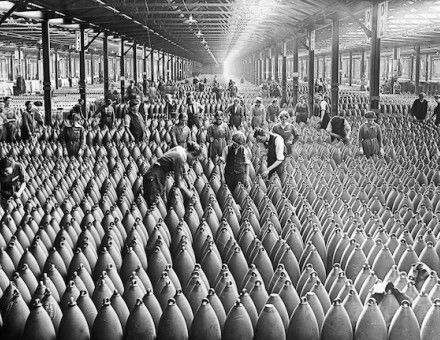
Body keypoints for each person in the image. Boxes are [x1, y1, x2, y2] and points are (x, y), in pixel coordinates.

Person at [143, 141, 202, 208]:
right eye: (194, 158)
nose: (193, 160)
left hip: (156, 173)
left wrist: (189, 183)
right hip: (154, 177)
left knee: (161, 200)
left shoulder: (180, 149)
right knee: (154, 204)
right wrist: (190, 195)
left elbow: (183, 169)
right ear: (192, 153)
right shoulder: (180, 157)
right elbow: (179, 184)